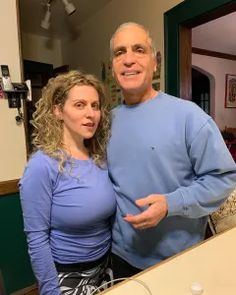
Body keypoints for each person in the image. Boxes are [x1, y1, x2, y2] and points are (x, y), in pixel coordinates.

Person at [107, 22, 236, 278]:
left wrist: (170, 204)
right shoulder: (105, 122)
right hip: (120, 256)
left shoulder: (189, 116)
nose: (128, 59)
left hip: (179, 259)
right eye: (120, 52)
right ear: (112, 66)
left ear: (155, 62)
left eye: (138, 49)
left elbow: (224, 179)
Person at [19, 70, 116, 295]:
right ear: (58, 111)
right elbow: (36, 238)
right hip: (67, 274)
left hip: (105, 267)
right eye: (80, 105)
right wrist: (50, 290)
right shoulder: (42, 166)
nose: (91, 113)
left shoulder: (100, 157)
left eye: (95, 105)